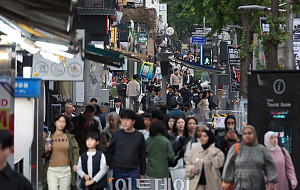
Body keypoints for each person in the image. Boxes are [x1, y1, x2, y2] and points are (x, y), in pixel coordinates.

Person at [222, 125, 278, 190]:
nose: (247, 135)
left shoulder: (262, 149)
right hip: (240, 186)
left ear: (254, 135)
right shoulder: (236, 148)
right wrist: (227, 181)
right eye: (245, 133)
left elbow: (270, 165)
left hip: (258, 186)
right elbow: (229, 165)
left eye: (249, 133)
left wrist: (272, 180)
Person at [106, 110, 146, 190]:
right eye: (123, 120)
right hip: (118, 170)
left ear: (133, 121)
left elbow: (142, 155)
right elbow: (110, 151)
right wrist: (107, 165)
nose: (124, 122)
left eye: (127, 120)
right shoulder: (117, 135)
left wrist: (142, 173)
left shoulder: (139, 136)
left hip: (134, 170)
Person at [39, 114, 79, 190]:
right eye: (59, 121)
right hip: (52, 170)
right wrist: (46, 150)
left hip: (66, 170)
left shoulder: (70, 137)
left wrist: (75, 164)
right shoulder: (49, 137)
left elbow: (75, 151)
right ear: (55, 123)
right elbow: (41, 153)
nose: (61, 123)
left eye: (63, 122)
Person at [145, 120, 175, 189]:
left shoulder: (147, 141)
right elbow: (171, 156)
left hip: (149, 171)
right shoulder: (166, 141)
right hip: (163, 172)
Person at [100, 112, 121, 190]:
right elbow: (100, 147)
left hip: (121, 162)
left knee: (120, 183)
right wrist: (106, 146)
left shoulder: (122, 132)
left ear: (117, 120)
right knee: (110, 183)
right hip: (109, 162)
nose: (111, 122)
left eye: (113, 120)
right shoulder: (105, 132)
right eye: (110, 120)